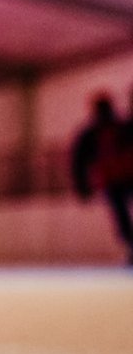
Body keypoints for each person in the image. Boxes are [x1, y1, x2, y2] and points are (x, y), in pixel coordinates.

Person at [71, 92, 133, 265]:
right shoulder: (118, 127)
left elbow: (79, 162)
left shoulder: (96, 132)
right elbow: (79, 161)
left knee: (121, 215)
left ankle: (131, 246)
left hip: (116, 179)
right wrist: (82, 185)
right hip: (116, 179)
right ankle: (131, 246)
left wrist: (82, 186)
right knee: (121, 216)